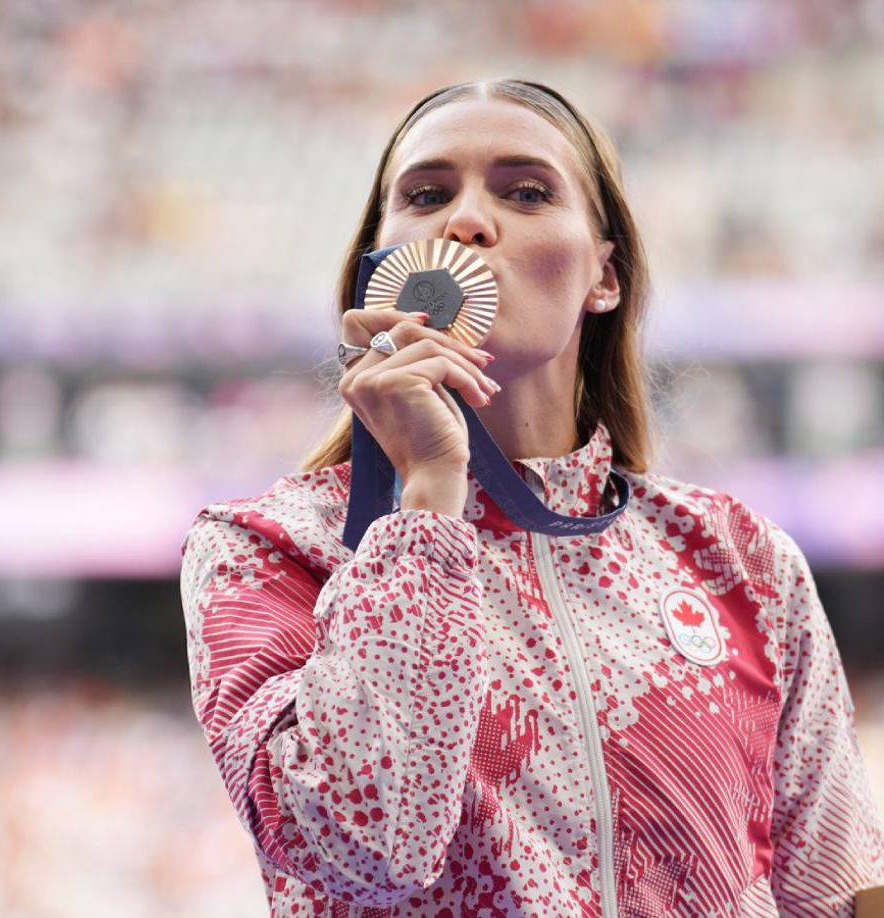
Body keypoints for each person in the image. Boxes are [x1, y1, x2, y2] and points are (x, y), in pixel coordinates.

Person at [178, 78, 884, 916]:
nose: (466, 221)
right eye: (427, 195)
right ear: (376, 270)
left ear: (604, 276)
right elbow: (366, 847)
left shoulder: (743, 557)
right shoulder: (265, 551)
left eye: (525, 192)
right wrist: (425, 502)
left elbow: (837, 889)